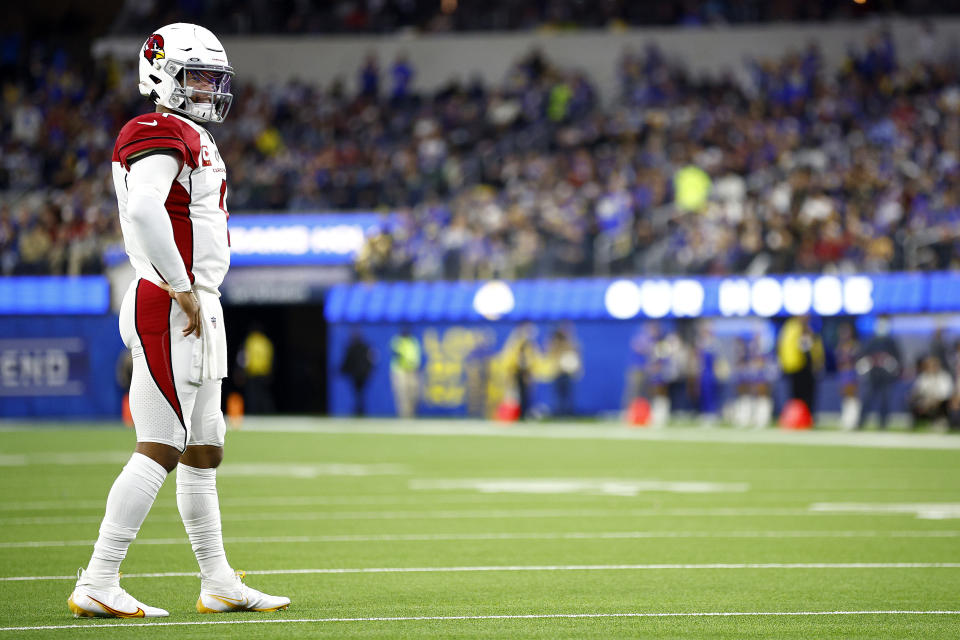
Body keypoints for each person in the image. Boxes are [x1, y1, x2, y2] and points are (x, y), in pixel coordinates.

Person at [67, 24, 289, 619]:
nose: (208, 88)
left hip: (194, 300)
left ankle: (217, 580)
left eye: (213, 77)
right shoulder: (157, 127)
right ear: (161, 74)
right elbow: (143, 207)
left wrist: (194, 291)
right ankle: (98, 577)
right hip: (171, 300)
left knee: (204, 449)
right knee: (161, 446)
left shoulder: (186, 132)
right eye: (196, 75)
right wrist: (181, 285)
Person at [855, 316, 901, 430]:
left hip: (886, 376)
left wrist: (891, 365)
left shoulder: (891, 342)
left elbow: (898, 359)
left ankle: (883, 424)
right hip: (873, 375)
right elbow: (863, 357)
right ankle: (860, 422)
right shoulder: (871, 341)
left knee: (885, 400)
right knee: (867, 399)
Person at [778, 315, 824, 422]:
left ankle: (808, 418)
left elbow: (817, 349)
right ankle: (795, 419)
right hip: (795, 366)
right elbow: (786, 347)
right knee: (795, 395)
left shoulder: (811, 330)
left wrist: (818, 362)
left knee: (809, 394)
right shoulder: (791, 328)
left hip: (808, 367)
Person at [910, 355, 953, 428]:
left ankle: (940, 421)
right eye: (929, 366)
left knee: (942, 403)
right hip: (926, 401)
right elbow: (918, 390)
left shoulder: (944, 376)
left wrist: (935, 399)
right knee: (915, 402)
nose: (931, 368)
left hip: (940, 401)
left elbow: (946, 392)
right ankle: (919, 422)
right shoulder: (923, 377)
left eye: (933, 366)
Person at [240, 325, 275, 414]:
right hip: (263, 372)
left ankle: (254, 413)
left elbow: (243, 356)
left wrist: (241, 371)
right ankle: (267, 412)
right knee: (264, 395)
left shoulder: (249, 341)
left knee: (252, 395)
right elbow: (270, 357)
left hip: (252, 372)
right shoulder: (265, 341)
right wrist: (270, 371)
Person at [340, 332, 374, 416]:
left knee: (358, 392)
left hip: (357, 374)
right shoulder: (365, 347)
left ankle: (359, 409)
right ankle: (359, 409)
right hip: (361, 374)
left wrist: (342, 370)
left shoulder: (354, 347)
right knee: (359, 392)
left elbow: (347, 361)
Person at [390, 327, 421, 418]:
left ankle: (412, 413)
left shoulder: (413, 341)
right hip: (400, 370)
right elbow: (396, 354)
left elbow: (416, 356)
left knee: (414, 393)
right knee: (402, 394)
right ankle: (404, 415)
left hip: (413, 370)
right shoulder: (397, 341)